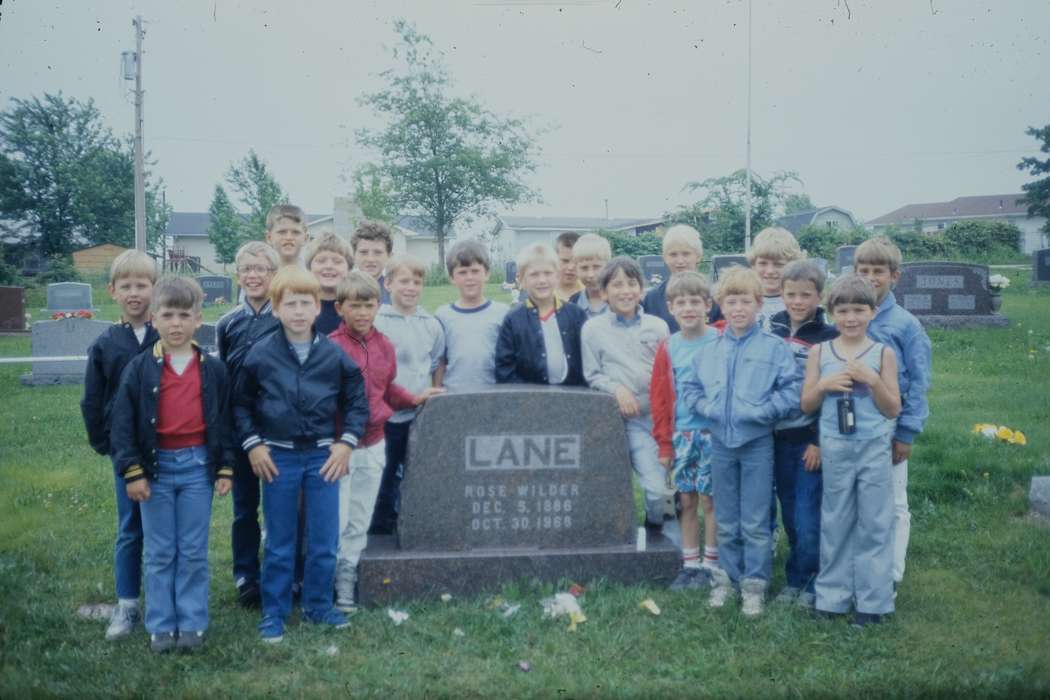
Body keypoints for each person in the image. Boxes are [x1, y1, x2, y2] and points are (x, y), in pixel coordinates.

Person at [233, 266, 369, 644]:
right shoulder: (260, 355)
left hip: (324, 457)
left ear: (317, 307)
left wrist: (346, 443)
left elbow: (357, 402)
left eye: (305, 303)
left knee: (324, 538)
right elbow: (240, 406)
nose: (297, 311)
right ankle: (273, 612)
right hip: (278, 457)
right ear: (276, 309)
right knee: (279, 541)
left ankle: (318, 605)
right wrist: (254, 445)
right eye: (289, 303)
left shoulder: (333, 355)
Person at [109, 276, 235, 653]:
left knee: (193, 549)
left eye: (185, 315)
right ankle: (161, 626)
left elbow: (225, 421)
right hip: (156, 469)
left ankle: (192, 623)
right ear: (154, 318)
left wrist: (225, 467)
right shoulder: (139, 369)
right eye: (168, 315)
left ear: (199, 319)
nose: (176, 323)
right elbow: (123, 426)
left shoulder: (212, 369)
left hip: (197, 466)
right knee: (161, 550)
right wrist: (133, 472)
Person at [680, 266, 801, 617]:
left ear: (758, 304)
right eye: (731, 302)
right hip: (720, 443)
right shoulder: (708, 351)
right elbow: (690, 389)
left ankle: (754, 584)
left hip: (757, 444)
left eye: (745, 301)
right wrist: (709, 408)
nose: (738, 309)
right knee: (726, 518)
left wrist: (761, 412)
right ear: (720, 306)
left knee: (755, 519)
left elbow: (791, 390)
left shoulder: (774, 348)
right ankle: (726, 580)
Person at [329, 271, 444, 611]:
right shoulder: (331, 348)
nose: (363, 313)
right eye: (355, 306)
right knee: (338, 516)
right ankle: (324, 579)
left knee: (360, 517)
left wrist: (414, 398)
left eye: (368, 305)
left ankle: (347, 578)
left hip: (375, 442)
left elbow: (388, 388)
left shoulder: (384, 346)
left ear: (377, 306)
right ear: (340, 308)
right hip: (339, 448)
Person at [801, 274, 901, 627]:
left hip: (873, 447)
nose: (851, 318)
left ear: (872, 312)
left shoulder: (883, 354)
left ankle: (873, 600)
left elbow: (892, 408)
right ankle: (832, 596)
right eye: (842, 311)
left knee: (875, 522)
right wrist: (826, 384)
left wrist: (872, 380)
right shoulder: (820, 352)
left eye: (859, 310)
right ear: (831, 314)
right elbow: (807, 403)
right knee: (836, 520)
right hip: (836, 447)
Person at [81, 249, 160, 641]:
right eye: (126, 286)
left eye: (142, 285)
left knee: (163, 531)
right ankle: (127, 605)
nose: (135, 293)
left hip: (167, 449)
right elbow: (93, 400)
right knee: (131, 528)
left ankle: (165, 603)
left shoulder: (168, 336)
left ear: (155, 289)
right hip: (126, 453)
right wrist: (105, 443)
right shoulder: (106, 344)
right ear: (113, 291)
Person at [853, 235, 932, 594]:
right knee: (858, 500)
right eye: (863, 270)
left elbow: (918, 382)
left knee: (894, 502)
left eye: (878, 271)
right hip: (851, 429)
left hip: (889, 429)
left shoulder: (905, 325)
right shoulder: (847, 316)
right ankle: (860, 565)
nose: (871, 277)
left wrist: (907, 432)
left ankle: (892, 572)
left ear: (894, 276)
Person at [581, 257, 672, 530]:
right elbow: (592, 374)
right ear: (604, 292)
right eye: (617, 285)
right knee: (655, 488)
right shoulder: (593, 330)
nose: (625, 291)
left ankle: (659, 530)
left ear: (641, 289)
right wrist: (617, 388)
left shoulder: (657, 326)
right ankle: (645, 528)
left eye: (631, 284)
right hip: (627, 421)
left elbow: (668, 372)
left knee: (666, 490)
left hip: (660, 419)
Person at [768, 260, 839, 608]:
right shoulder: (770, 330)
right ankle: (796, 577)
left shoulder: (829, 338)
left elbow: (836, 396)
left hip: (808, 440)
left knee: (808, 517)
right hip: (774, 440)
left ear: (820, 296)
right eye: (791, 294)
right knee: (789, 513)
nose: (797, 301)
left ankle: (810, 580)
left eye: (805, 295)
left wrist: (819, 440)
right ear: (780, 294)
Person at [216, 241, 281, 608]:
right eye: (248, 270)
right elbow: (223, 377)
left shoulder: (283, 318)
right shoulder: (227, 323)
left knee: (276, 506)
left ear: (273, 275)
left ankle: (275, 570)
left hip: (276, 427)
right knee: (244, 507)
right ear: (238, 275)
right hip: (240, 428)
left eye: (262, 269)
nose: (254, 276)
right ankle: (245, 573)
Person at [650, 271, 722, 590]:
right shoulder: (669, 347)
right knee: (687, 501)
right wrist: (665, 445)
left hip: (712, 435)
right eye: (681, 302)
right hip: (682, 436)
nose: (689, 308)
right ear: (670, 308)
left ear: (708, 305)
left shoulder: (721, 340)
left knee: (711, 502)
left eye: (696, 301)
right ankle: (689, 564)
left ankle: (711, 565)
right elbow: (661, 400)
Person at [370, 255, 446, 536]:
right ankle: (379, 529)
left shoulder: (431, 324)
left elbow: (437, 362)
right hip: (385, 416)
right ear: (387, 284)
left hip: (418, 414)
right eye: (403, 281)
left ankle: (414, 526)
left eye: (417, 281)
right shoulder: (377, 321)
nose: (411, 287)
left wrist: (436, 393)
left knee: (415, 474)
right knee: (385, 475)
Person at [495, 243, 587, 386]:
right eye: (534, 274)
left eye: (548, 273)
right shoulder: (513, 320)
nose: (542, 280)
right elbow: (505, 369)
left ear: (557, 276)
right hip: (529, 402)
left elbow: (588, 361)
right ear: (522, 280)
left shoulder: (576, 315)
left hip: (573, 398)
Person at [434, 240, 509, 392]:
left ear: (487, 273)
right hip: (453, 394)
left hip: (492, 394)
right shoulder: (442, 315)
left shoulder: (503, 313)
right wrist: (436, 393)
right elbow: (440, 361)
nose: (469, 278)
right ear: (452, 278)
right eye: (462, 272)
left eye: (475, 271)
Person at [642, 224, 712, 333]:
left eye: (686, 254)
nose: (680, 261)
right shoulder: (652, 299)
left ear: (698, 256)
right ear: (664, 257)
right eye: (673, 255)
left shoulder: (713, 296)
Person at [746, 226, 805, 329]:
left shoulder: (804, 304)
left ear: (793, 266)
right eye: (763, 263)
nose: (770, 271)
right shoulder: (740, 302)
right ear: (753, 265)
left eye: (778, 264)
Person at [305, 232, 354, 335]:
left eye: (337, 261)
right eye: (321, 261)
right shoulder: (301, 306)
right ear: (309, 268)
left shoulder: (356, 307)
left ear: (349, 268)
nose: (329, 266)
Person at [351, 220, 394, 304]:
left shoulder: (396, 293)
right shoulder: (343, 290)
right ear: (353, 255)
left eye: (378, 252)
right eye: (363, 252)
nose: (370, 259)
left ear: (389, 256)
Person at [571, 233, 613, 319]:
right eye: (584, 268)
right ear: (576, 269)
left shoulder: (623, 299)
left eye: (597, 267)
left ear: (608, 266)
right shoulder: (573, 303)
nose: (591, 274)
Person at [265, 204, 310, 268]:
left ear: (306, 238)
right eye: (282, 232)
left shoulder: (313, 273)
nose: (289, 238)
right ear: (269, 237)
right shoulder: (261, 273)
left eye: (296, 232)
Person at [554, 231, 585, 302]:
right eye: (565, 261)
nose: (570, 267)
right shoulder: (543, 292)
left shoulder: (589, 293)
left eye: (576, 262)